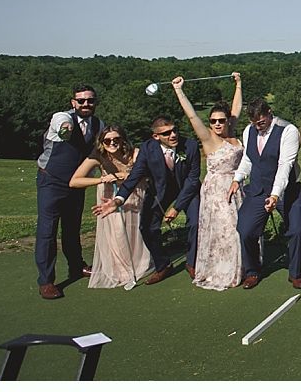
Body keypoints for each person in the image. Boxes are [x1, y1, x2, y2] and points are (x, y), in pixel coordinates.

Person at [94, 116, 202, 285]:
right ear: (156, 136)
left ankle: (192, 262)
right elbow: (135, 176)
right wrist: (118, 200)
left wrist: (177, 207)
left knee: (195, 223)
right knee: (146, 227)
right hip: (160, 191)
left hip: (187, 190)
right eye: (166, 133)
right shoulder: (147, 148)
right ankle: (163, 265)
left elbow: (193, 179)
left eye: (174, 130)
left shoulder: (191, 145)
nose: (173, 135)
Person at [172, 73, 244, 290]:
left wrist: (239, 84)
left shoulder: (233, 135)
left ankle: (240, 267)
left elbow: (237, 108)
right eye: (213, 121)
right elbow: (193, 117)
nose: (218, 124)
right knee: (224, 230)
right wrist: (179, 91)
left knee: (238, 228)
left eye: (222, 120)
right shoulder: (208, 138)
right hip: (216, 190)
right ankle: (220, 270)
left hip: (236, 186)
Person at [228, 99, 301, 290]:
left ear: (269, 113)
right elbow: (248, 158)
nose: (258, 126)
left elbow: (284, 166)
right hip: (257, 189)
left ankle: (295, 273)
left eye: (261, 122)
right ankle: (252, 271)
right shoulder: (249, 131)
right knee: (245, 230)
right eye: (254, 122)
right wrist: (237, 178)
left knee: (297, 229)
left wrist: (275, 195)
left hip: (287, 190)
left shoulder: (289, 131)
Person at [36, 84, 105, 299]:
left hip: (76, 183)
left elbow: (100, 152)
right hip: (51, 181)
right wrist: (67, 127)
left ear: (95, 102)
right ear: (73, 103)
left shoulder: (98, 124)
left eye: (90, 100)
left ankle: (77, 267)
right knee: (47, 231)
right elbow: (63, 128)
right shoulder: (61, 117)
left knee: (72, 228)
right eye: (81, 100)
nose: (86, 104)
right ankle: (46, 281)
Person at [70, 126, 153, 288]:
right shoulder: (98, 155)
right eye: (107, 140)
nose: (112, 143)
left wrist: (124, 175)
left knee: (134, 230)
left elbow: (148, 173)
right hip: (110, 196)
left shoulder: (134, 153)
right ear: (102, 142)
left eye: (116, 139)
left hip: (135, 194)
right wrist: (100, 180)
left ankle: (139, 264)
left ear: (123, 140)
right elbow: (75, 181)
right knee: (117, 232)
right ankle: (122, 270)